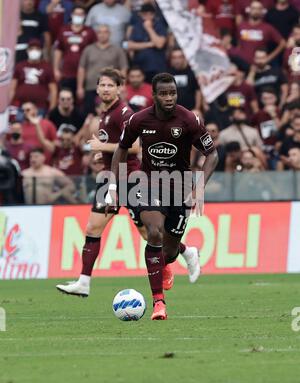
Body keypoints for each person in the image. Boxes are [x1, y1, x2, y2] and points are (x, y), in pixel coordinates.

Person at [56, 69, 201, 299]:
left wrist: (102, 148)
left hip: (131, 179)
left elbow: (134, 148)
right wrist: (102, 155)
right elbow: (115, 147)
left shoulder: (123, 113)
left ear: (119, 88)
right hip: (111, 178)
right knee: (93, 228)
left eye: (110, 86)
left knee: (150, 234)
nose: (105, 89)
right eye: (102, 85)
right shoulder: (104, 114)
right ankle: (84, 282)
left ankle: (185, 252)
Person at [105, 73, 218, 320]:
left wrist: (199, 186)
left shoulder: (189, 119)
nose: (169, 98)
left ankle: (183, 253)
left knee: (168, 253)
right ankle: (159, 303)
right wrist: (113, 188)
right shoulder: (139, 119)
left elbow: (213, 154)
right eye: (164, 94)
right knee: (154, 232)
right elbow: (120, 150)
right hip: (149, 185)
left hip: (178, 189)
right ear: (154, 95)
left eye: (173, 93)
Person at [77, 25, 128, 114]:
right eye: (100, 32)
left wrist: (122, 85)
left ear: (109, 34)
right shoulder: (88, 49)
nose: (102, 34)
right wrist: (80, 87)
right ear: (96, 34)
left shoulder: (117, 49)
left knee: (111, 114)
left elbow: (124, 68)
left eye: (105, 32)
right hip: (91, 87)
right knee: (90, 115)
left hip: (109, 88)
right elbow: (82, 68)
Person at [53, 6, 97, 95]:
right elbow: (58, 50)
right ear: (72, 15)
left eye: (81, 14)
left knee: (82, 100)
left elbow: (95, 52)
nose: (78, 16)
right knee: (67, 97)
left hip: (85, 73)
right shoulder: (64, 30)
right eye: (76, 14)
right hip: (66, 73)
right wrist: (56, 69)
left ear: (85, 16)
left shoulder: (90, 31)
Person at [10, 39, 57, 113]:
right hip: (20, 107)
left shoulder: (47, 67)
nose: (34, 51)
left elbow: (53, 90)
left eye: (37, 49)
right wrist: (9, 104)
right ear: (27, 51)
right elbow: (12, 88)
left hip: (40, 107)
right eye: (31, 49)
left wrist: (51, 110)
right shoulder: (20, 66)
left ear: (41, 51)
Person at [234, 0, 286, 65]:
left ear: (262, 11)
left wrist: (268, 58)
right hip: (242, 64)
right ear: (249, 10)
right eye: (254, 8)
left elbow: (283, 43)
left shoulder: (267, 28)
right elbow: (239, 44)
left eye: (259, 9)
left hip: (259, 66)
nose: (256, 11)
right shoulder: (241, 26)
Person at [128, 3, 168, 83]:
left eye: (151, 14)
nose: (148, 16)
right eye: (145, 14)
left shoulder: (159, 25)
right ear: (140, 14)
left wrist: (149, 28)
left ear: (154, 14)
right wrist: (150, 44)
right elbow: (128, 45)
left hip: (157, 67)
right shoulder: (137, 26)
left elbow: (159, 44)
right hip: (140, 68)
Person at [167, 48, 202, 115]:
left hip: (191, 110)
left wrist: (197, 108)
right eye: (174, 57)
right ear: (171, 60)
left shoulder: (192, 72)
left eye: (180, 57)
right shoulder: (167, 74)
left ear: (184, 58)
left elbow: (198, 91)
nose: (177, 60)